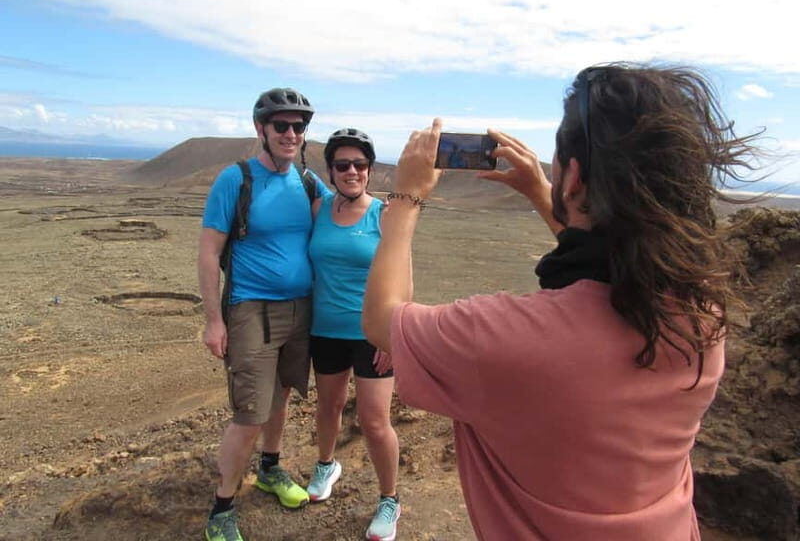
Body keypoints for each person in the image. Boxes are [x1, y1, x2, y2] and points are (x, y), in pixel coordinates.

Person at [362, 64, 760, 540]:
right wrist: (539, 190)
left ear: (572, 178)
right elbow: (611, 264)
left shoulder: (508, 340)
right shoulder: (701, 313)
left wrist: (405, 196)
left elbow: (382, 321)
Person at [198, 88, 330, 541]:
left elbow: (344, 213)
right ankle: (222, 508)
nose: (291, 134)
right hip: (250, 308)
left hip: (302, 309)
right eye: (281, 126)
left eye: (299, 127)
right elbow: (208, 251)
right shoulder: (235, 180)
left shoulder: (309, 182)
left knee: (283, 395)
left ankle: (271, 469)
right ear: (261, 130)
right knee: (250, 413)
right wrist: (214, 321)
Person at [305, 128, 402, 541]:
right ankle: (327, 464)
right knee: (329, 405)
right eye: (342, 165)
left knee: (374, 420)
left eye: (359, 164)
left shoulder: (384, 215)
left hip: (372, 334)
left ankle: (389, 500)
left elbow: (400, 278)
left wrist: (394, 336)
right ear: (331, 171)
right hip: (325, 329)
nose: (351, 171)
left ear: (371, 170)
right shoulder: (319, 209)